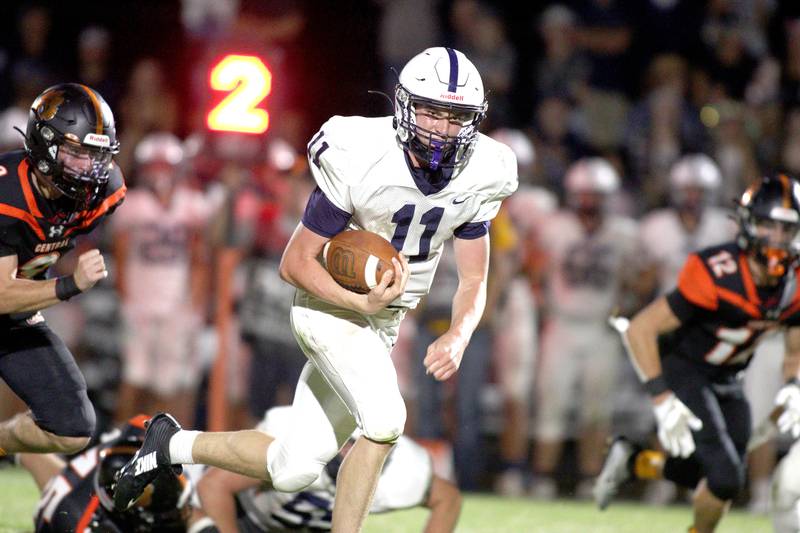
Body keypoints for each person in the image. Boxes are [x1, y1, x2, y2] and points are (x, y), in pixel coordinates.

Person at [114, 46, 518, 533]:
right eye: (430, 111)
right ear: (405, 106)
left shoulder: (484, 170)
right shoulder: (362, 153)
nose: (440, 128)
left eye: (455, 117)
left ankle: (170, 444)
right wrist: (356, 301)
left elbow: (474, 278)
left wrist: (459, 333)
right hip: (329, 306)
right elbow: (294, 262)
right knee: (386, 421)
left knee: (292, 469)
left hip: (382, 322)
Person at [593, 174, 800, 533]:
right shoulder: (717, 271)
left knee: (722, 473)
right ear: (749, 224)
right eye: (769, 226)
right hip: (686, 369)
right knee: (725, 478)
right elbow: (642, 328)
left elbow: (794, 348)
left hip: (729, 378)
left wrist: (794, 385)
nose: (778, 240)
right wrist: (661, 399)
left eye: (787, 229)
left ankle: (635, 461)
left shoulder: (795, 283)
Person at [0, 83, 125, 459]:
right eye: (76, 153)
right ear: (44, 144)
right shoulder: (9, 192)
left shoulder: (103, 193)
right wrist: (69, 285)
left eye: (95, 156)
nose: (88, 167)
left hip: (13, 315)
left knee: (71, 428)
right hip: (7, 298)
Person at [195, 405, 462, 532]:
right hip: (244, 520)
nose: (349, 454)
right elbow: (214, 485)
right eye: (346, 443)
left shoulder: (399, 468)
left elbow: (447, 499)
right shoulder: (293, 437)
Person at [112, 132, 211, 426]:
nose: (159, 173)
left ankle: (160, 452)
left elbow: (199, 257)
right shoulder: (133, 202)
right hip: (140, 302)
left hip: (176, 303)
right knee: (134, 377)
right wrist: (126, 297)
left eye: (165, 166)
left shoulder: (192, 203)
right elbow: (120, 253)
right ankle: (120, 446)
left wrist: (194, 302)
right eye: (154, 166)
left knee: (168, 384)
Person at [18, 415, 197, 533]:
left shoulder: (116, 462)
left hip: (101, 471)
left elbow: (139, 422)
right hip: (72, 510)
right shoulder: (82, 521)